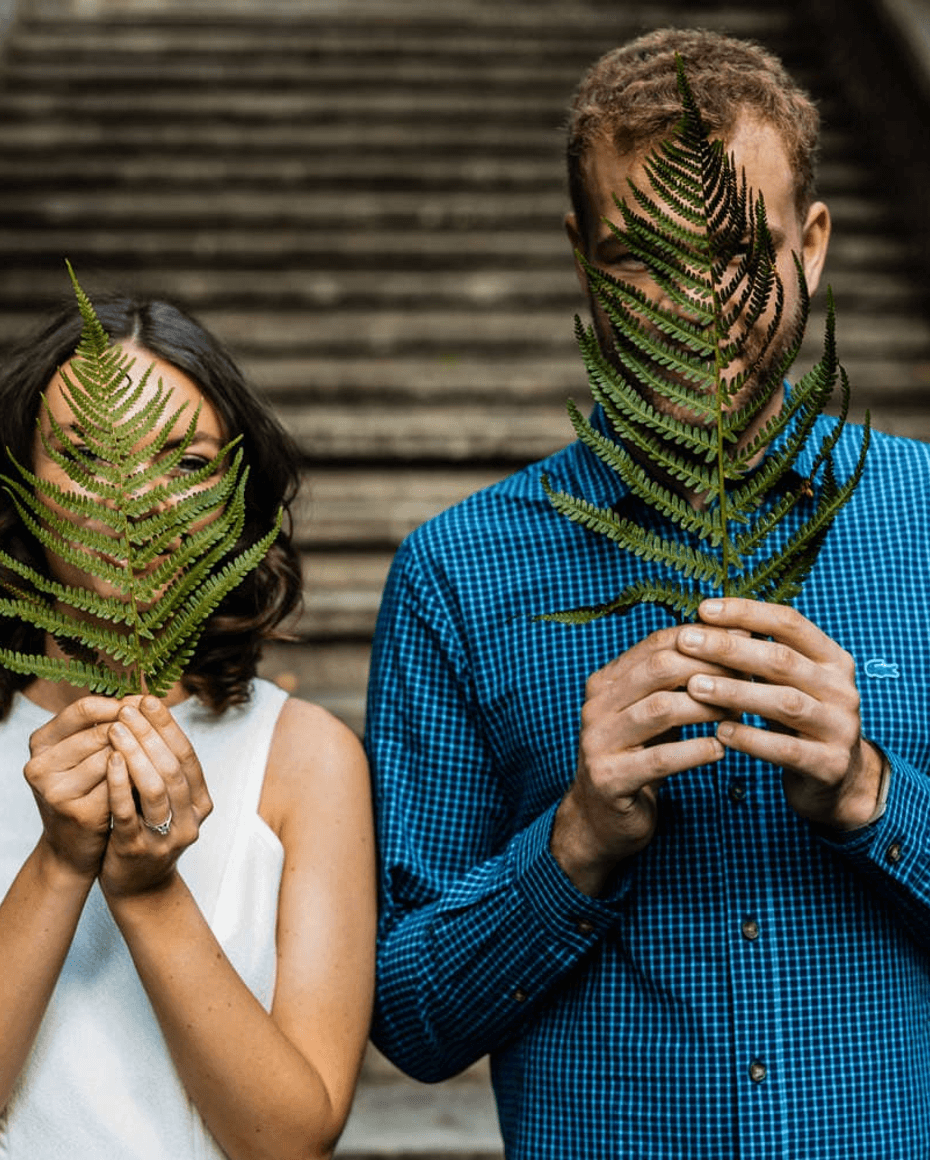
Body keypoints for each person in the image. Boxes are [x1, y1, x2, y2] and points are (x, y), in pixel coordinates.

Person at [365, 27, 930, 1159]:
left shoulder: (923, 521)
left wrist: (873, 796)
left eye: (734, 249)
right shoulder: (457, 574)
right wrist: (575, 837)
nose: (693, 306)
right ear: (579, 254)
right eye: (639, 262)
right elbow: (409, 1017)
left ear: (812, 246)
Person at [0, 295, 376, 1158]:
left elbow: (290, 1140)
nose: (140, 497)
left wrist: (146, 890)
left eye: (190, 462)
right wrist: (60, 861)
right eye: (89, 454)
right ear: (19, 485)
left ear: (239, 498)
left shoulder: (308, 759)